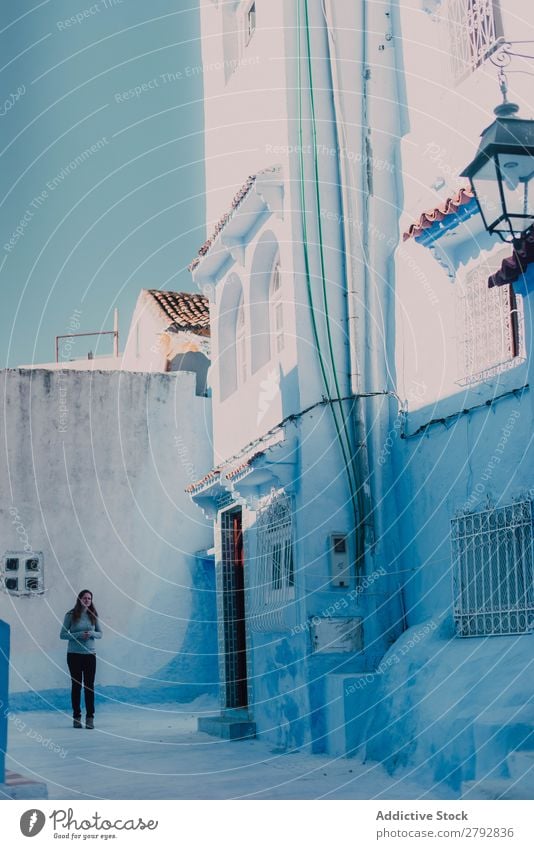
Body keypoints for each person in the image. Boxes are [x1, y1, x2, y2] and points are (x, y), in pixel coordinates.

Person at [60, 590, 102, 729]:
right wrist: (78, 635)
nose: (87, 600)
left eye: (89, 598)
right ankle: (76, 717)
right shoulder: (70, 615)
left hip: (90, 655)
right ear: (79, 599)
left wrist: (91, 633)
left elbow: (100, 633)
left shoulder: (93, 615)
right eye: (84, 598)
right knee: (76, 686)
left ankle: (90, 718)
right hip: (74, 655)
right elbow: (63, 635)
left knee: (89, 686)